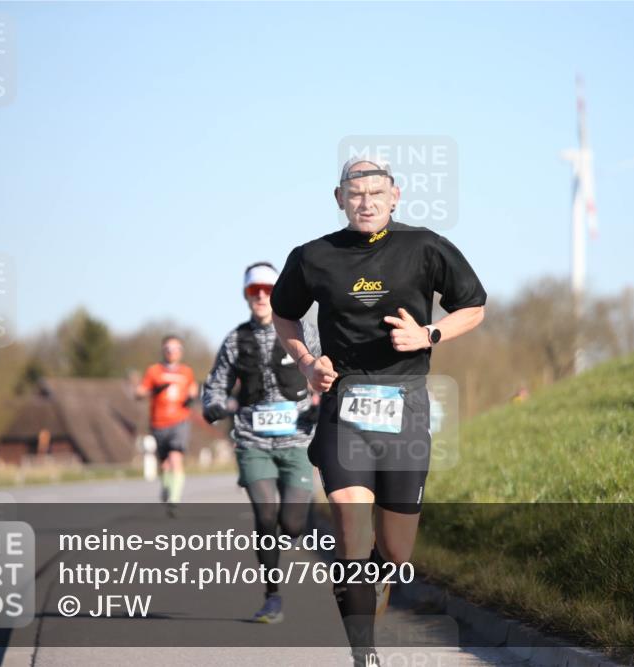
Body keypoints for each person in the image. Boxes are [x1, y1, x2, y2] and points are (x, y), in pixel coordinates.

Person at [270, 158, 486, 665]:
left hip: (406, 406)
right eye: (355, 193)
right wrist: (307, 362)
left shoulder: (425, 246)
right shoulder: (312, 256)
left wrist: (427, 335)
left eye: (375, 192)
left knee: (395, 552)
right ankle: (363, 653)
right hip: (343, 406)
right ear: (338, 197)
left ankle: (377, 577)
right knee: (349, 523)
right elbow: (285, 313)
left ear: (395, 196)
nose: (365, 202)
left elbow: (474, 306)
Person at [202, 261, 321, 624]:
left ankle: (295, 527)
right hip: (253, 442)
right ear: (246, 296)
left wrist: (322, 398)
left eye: (268, 290)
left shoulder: (304, 332)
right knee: (265, 516)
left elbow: (329, 368)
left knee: (293, 525)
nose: (261, 297)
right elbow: (215, 386)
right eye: (254, 291)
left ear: (278, 292)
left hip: (298, 440)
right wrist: (218, 405)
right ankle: (272, 597)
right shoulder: (235, 340)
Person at [135, 334, 199, 516]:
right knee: (164, 464)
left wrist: (191, 397)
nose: (172, 352)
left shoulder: (186, 371)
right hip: (158, 422)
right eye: (168, 349)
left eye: (176, 348)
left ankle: (174, 500)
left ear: (181, 352)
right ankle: (166, 486)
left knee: (176, 457)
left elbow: (193, 388)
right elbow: (139, 392)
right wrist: (150, 390)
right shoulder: (154, 371)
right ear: (163, 351)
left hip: (180, 421)